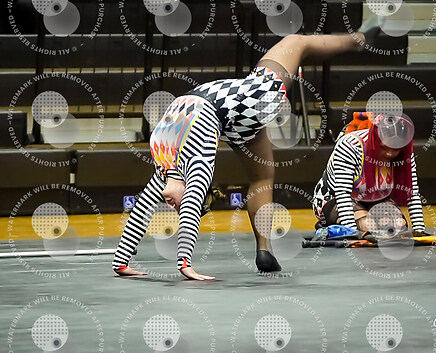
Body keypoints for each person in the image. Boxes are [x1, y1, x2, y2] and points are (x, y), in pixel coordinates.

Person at [112, 21, 384, 281]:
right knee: (296, 42)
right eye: (178, 207)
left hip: (231, 110)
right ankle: (359, 40)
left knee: (263, 176)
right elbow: (191, 202)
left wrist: (121, 261)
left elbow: (146, 205)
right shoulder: (195, 163)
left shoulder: (166, 164)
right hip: (245, 103)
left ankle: (265, 250)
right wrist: (185, 264)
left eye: (175, 205)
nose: (171, 205)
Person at [312, 114, 427, 236]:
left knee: (398, 225)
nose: (389, 153)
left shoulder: (405, 152)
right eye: (384, 147)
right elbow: (342, 193)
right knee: (366, 225)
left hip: (377, 199)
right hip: (336, 198)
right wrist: (352, 233)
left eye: (395, 149)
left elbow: (412, 192)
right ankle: (333, 224)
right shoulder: (350, 146)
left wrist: (419, 229)